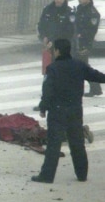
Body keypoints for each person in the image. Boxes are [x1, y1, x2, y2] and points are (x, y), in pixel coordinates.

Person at [31, 39, 105, 184]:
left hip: (57, 111)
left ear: (57, 51)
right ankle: (82, 174)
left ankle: (47, 176)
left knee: (53, 144)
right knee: (77, 143)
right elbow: (97, 76)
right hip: (75, 110)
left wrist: (43, 107)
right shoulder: (79, 65)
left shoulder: (53, 68)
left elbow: (48, 90)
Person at [34, 0, 75, 111]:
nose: (58, 0)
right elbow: (42, 25)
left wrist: (54, 41)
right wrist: (44, 37)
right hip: (49, 48)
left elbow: (68, 32)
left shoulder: (69, 12)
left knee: (61, 76)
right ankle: (46, 101)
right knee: (48, 76)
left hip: (61, 50)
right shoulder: (48, 9)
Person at [75, 0, 102, 97]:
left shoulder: (93, 13)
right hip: (76, 42)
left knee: (83, 66)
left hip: (85, 43)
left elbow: (91, 31)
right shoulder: (79, 8)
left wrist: (81, 35)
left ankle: (95, 88)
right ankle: (96, 88)